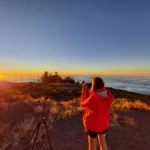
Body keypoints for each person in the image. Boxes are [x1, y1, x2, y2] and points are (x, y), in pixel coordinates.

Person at [80, 77, 114, 150]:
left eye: (92, 84)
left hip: (92, 125)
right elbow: (97, 95)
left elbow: (82, 103)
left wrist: (83, 91)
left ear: (94, 86)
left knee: (92, 145)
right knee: (103, 142)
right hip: (104, 124)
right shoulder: (108, 95)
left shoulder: (93, 98)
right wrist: (89, 91)